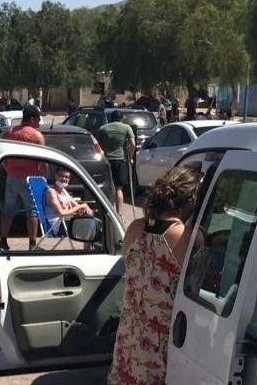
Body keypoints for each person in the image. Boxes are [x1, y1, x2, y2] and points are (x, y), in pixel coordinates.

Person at [107, 165, 202, 384]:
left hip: (129, 338)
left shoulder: (134, 228)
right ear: (190, 202)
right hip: (160, 344)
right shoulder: (187, 237)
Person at [0, 104, 46, 251]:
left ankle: (3, 241)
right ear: (32, 119)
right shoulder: (37, 136)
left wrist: (9, 169)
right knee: (32, 212)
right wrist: (44, 176)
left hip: (12, 178)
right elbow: (43, 161)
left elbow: (3, 158)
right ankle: (32, 244)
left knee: (8, 211)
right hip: (30, 179)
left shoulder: (10, 132)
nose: (39, 122)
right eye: (38, 118)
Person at [98, 110, 136, 214]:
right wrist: (130, 157)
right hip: (121, 160)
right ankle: (119, 214)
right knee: (119, 188)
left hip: (107, 160)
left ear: (111, 118)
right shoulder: (126, 127)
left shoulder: (103, 128)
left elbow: (98, 145)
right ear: (121, 118)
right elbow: (132, 143)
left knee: (108, 188)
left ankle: (109, 212)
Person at [45, 167, 93, 235]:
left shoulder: (64, 191)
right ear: (55, 176)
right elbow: (61, 213)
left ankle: (87, 245)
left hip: (66, 221)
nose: (64, 179)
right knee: (89, 226)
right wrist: (81, 206)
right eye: (61, 176)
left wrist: (86, 209)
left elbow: (77, 206)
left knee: (90, 221)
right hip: (57, 226)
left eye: (66, 177)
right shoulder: (51, 192)